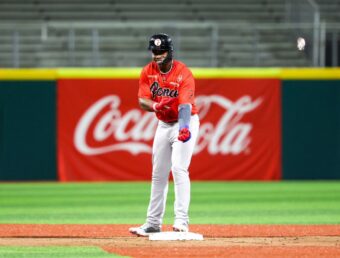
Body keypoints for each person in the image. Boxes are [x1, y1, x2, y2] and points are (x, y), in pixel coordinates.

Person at [129, 33, 200, 236]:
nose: (157, 55)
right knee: (158, 174)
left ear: (170, 51)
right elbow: (142, 100)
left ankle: (181, 221)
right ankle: (152, 222)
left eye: (161, 51)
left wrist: (184, 127)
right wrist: (156, 105)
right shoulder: (147, 71)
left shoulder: (183, 72)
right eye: (154, 51)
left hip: (185, 121)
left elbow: (185, 104)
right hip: (163, 124)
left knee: (179, 168)